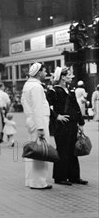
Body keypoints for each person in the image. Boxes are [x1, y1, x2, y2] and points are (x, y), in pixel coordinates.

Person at [46, 67, 87, 185]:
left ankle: (74, 176)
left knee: (72, 151)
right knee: (63, 150)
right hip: (61, 126)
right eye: (68, 75)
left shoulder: (71, 90)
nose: (71, 76)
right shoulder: (53, 91)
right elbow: (47, 107)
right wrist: (57, 116)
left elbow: (76, 108)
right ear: (62, 77)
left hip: (72, 125)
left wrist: (81, 123)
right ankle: (60, 177)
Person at [21, 62, 52, 190]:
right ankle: (39, 182)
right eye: (45, 71)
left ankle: (30, 180)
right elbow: (38, 108)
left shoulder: (27, 85)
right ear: (39, 73)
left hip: (31, 120)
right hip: (39, 121)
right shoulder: (37, 87)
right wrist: (40, 128)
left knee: (32, 151)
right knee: (41, 151)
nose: (46, 74)